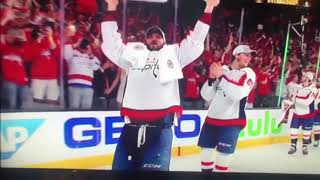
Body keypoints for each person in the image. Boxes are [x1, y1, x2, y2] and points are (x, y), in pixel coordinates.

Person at [101, 0, 220, 171]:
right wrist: (111, 7)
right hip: (130, 129)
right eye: (150, 36)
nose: (154, 39)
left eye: (158, 36)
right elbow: (111, 44)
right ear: (145, 40)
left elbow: (195, 41)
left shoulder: (175, 54)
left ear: (164, 40)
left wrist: (208, 8)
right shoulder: (133, 54)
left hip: (161, 129)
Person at [198, 45, 256, 172]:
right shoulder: (222, 69)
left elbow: (238, 94)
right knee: (205, 155)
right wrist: (211, 79)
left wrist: (221, 77)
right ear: (236, 55)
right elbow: (206, 95)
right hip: (211, 119)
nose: (249, 57)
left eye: (250, 55)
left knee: (221, 161)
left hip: (232, 122)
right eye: (246, 54)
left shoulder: (249, 73)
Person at [281, 71, 317, 155]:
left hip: (308, 114)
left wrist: (294, 99)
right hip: (297, 113)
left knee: (306, 132)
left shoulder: (313, 89)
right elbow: (287, 83)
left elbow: (306, 102)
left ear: (309, 79)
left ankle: (305, 146)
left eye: (304, 76)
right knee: (293, 130)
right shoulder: (297, 86)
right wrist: (290, 73)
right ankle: (293, 146)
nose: (302, 77)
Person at [64, 38, 101, 109]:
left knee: (86, 110)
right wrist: (76, 43)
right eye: (82, 44)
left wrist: (90, 54)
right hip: (74, 86)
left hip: (88, 87)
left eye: (86, 45)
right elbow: (65, 52)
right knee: (74, 109)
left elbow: (96, 67)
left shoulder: (91, 57)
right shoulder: (72, 53)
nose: (84, 46)